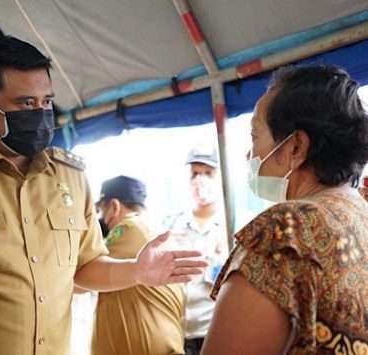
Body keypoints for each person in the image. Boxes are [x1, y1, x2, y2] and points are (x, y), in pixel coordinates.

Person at [0, 36, 205, 355]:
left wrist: (136, 272)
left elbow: (85, 268)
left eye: (46, 102)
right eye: (25, 103)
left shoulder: (70, 178)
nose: (41, 114)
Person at [201, 65, 368, 354]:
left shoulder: (284, 230)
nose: (249, 155)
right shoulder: (361, 214)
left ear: (296, 147)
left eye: (255, 137)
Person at [91, 175, 185, 355]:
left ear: (114, 206)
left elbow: (83, 275)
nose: (100, 218)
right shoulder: (157, 231)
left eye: (100, 209)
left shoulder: (127, 227)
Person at [163, 145, 228, 355]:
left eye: (208, 173)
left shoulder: (235, 226)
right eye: (195, 173)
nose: (201, 180)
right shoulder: (169, 227)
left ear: (220, 177)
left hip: (217, 333)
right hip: (176, 333)